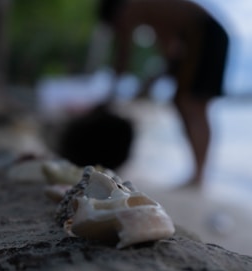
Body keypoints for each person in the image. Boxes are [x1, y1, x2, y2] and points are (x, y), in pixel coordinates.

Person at [97, 0, 229, 187]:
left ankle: (199, 176)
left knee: (193, 104)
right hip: (199, 35)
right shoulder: (153, 14)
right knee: (182, 102)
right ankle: (197, 174)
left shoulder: (133, 8)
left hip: (205, 33)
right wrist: (150, 82)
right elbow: (169, 49)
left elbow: (124, 54)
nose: (120, 30)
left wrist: (110, 95)